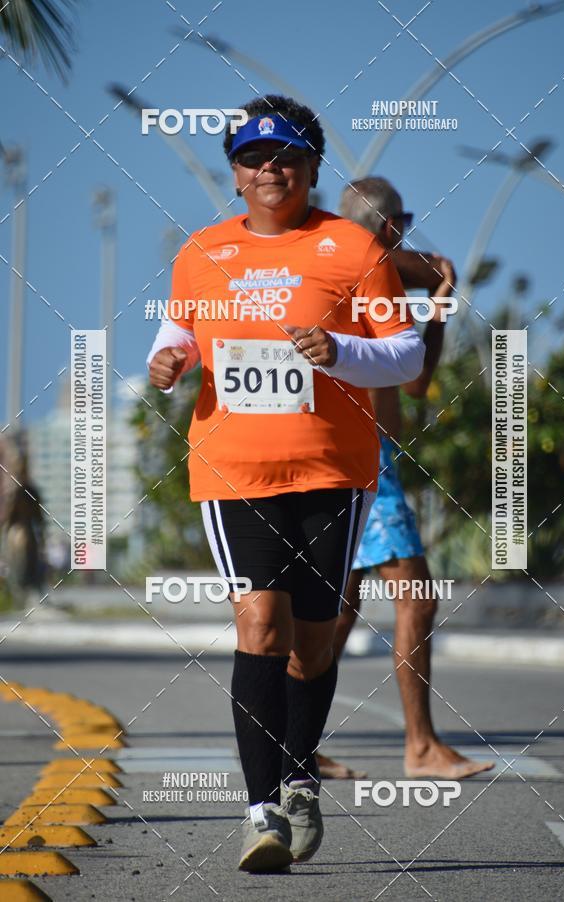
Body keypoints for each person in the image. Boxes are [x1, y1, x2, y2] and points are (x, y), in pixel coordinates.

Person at [147, 98, 425, 873]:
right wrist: (168, 360)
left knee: (313, 641)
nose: (270, 169)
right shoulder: (202, 252)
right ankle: (261, 811)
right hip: (234, 469)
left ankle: (300, 775)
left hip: (334, 471)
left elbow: (405, 353)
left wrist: (340, 352)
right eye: (254, 158)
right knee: (259, 625)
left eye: (287, 157)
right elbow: (180, 330)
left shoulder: (353, 246)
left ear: (311, 167)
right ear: (235, 172)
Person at [316, 177, 494, 781]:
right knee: (416, 598)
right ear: (392, 225)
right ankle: (420, 746)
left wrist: (435, 296)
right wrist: (439, 291)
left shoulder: (345, 269)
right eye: (404, 222)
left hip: (342, 455)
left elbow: (413, 380)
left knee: (336, 611)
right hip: (364, 457)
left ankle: (291, 744)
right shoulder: (368, 267)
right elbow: (424, 270)